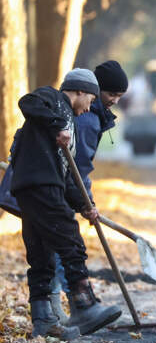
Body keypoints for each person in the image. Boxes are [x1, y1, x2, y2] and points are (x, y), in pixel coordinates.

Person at [0, 61, 128, 326]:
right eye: (91, 99)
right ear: (80, 91)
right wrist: (57, 123)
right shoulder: (52, 99)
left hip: (37, 188)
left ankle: (43, 320)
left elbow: (69, 174)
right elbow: (27, 102)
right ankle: (84, 305)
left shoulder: (72, 124)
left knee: (42, 253)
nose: (89, 107)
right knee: (71, 241)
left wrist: (85, 205)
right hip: (39, 185)